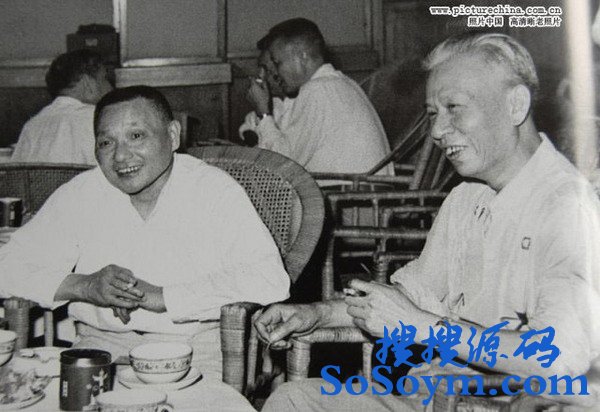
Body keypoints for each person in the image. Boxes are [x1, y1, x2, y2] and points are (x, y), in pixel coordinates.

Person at [256, 33, 600, 411]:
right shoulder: (467, 196)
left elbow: (557, 357)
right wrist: (316, 314)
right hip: (430, 397)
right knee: (291, 400)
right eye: (434, 114)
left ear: (515, 104)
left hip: (503, 404)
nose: (436, 131)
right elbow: (409, 298)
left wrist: (422, 326)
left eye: (454, 107)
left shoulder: (567, 207)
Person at [0, 86, 290, 378]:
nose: (120, 156)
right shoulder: (82, 193)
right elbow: (6, 266)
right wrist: (85, 286)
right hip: (102, 346)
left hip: (197, 350)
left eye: (136, 136)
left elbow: (269, 279)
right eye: (106, 142)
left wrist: (164, 298)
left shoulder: (213, 190)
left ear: (173, 136)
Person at [245, 18, 394, 178]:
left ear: (302, 56)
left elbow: (280, 164)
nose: (275, 72)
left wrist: (263, 112)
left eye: (277, 62)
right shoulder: (342, 83)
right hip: (358, 190)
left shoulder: (318, 90)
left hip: (350, 192)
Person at [11, 49, 113, 165]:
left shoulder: (32, 125)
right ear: (88, 83)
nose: (110, 87)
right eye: (105, 79)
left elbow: (16, 173)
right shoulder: (101, 120)